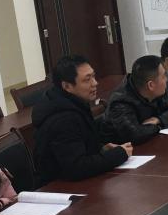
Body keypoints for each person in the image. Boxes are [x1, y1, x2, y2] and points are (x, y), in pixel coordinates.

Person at [32, 55, 132, 183]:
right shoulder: (62, 119)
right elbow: (76, 167)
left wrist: (101, 148)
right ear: (67, 86)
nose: (95, 83)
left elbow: (79, 142)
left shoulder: (73, 103)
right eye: (87, 80)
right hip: (57, 187)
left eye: (93, 76)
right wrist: (118, 154)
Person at [102, 55, 168, 145]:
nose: (166, 80)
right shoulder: (120, 102)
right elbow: (134, 135)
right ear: (151, 85)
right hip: (127, 151)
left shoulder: (157, 90)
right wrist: (158, 126)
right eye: (163, 76)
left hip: (153, 143)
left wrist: (158, 119)